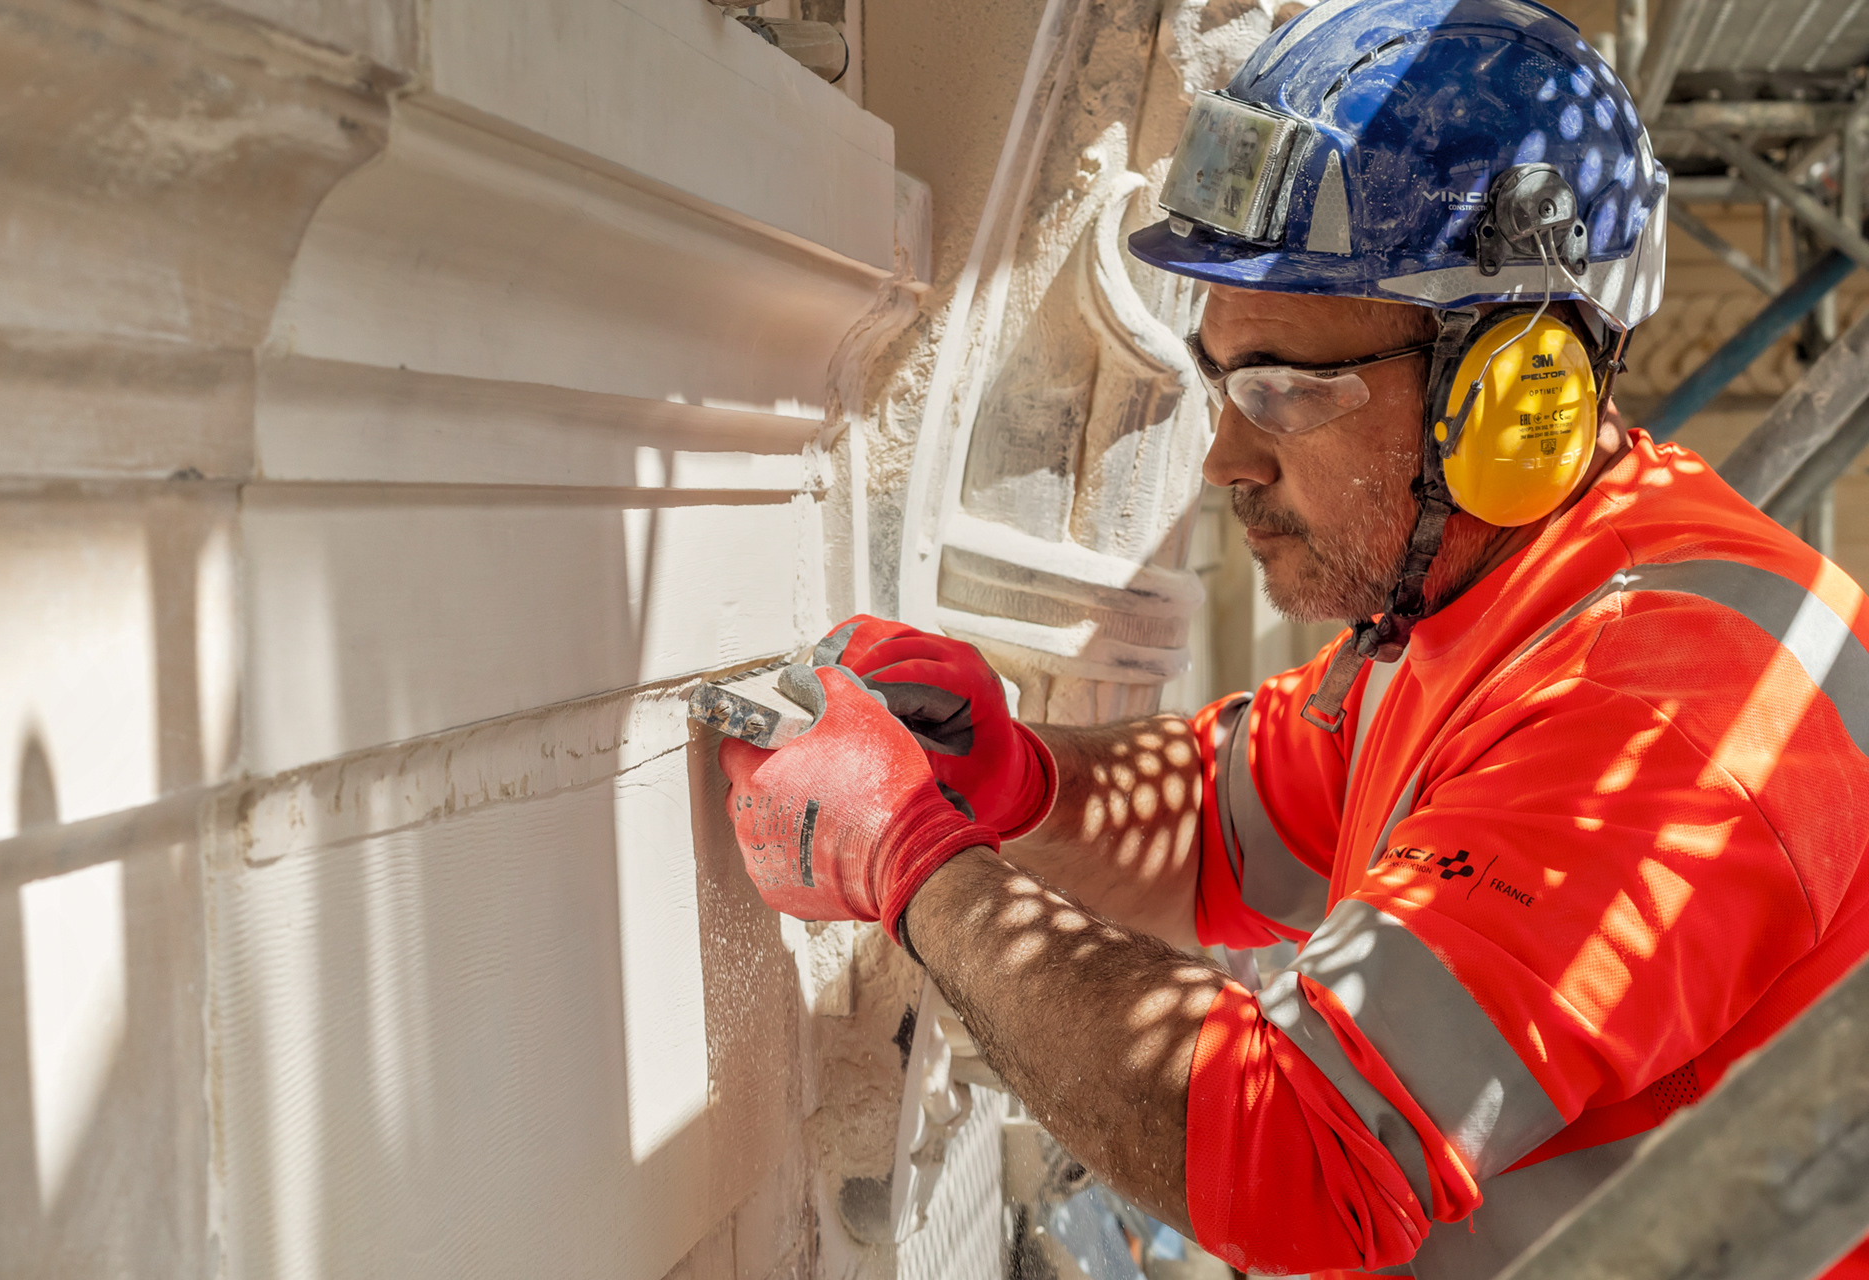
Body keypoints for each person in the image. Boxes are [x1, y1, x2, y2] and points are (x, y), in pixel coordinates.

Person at [718, 0, 1869, 1276]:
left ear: (1514, 396)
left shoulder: (1665, 714)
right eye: (1220, 382)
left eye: (1280, 388)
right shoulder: (1468, 600)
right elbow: (1224, 813)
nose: (1225, 457)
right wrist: (1014, 775)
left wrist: (917, 865)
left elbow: (1303, 1155)